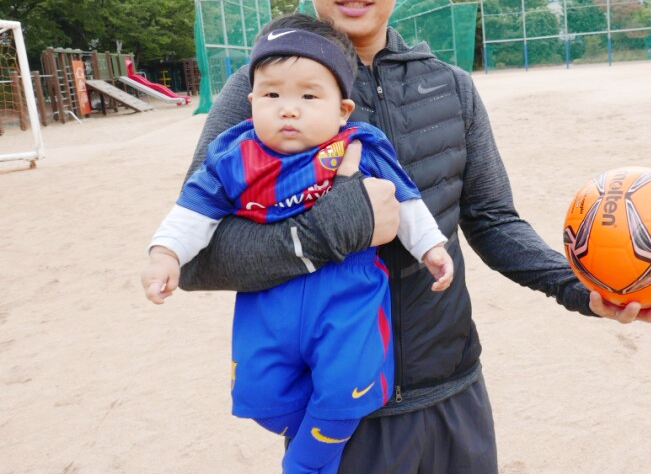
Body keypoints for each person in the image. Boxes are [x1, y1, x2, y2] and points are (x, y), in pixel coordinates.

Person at [177, 3, 651, 473]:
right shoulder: (268, 88)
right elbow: (195, 257)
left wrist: (582, 286)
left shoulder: (450, 86)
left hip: (454, 390)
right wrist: (335, 228)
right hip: (342, 410)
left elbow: (492, 219)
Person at [141, 15, 453, 474]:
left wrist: (431, 247)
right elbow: (194, 208)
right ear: (251, 102)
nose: (288, 109)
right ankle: (320, 429)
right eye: (272, 96)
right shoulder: (234, 154)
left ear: (342, 110)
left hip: (348, 296)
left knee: (344, 390)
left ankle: (306, 462)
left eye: (309, 96)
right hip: (269, 300)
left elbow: (405, 201)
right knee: (257, 397)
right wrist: (165, 253)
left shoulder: (360, 144)